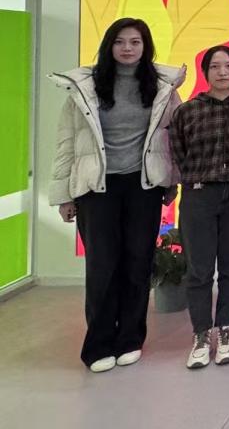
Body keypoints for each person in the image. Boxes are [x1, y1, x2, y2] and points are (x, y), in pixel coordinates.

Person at [49, 18, 184, 373]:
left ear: (145, 46)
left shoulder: (162, 87)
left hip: (143, 187)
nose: (127, 48)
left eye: (135, 42)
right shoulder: (86, 87)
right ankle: (98, 344)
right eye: (120, 41)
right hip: (97, 188)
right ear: (109, 45)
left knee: (138, 263)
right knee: (102, 265)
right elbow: (67, 143)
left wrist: (171, 182)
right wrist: (64, 195)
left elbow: (173, 140)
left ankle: (130, 339)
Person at [170, 45, 229, 370]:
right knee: (199, 269)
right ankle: (201, 334)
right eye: (215, 66)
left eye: (228, 66)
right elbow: (178, 152)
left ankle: (226, 330)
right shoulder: (187, 111)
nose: (222, 72)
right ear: (205, 72)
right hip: (198, 196)